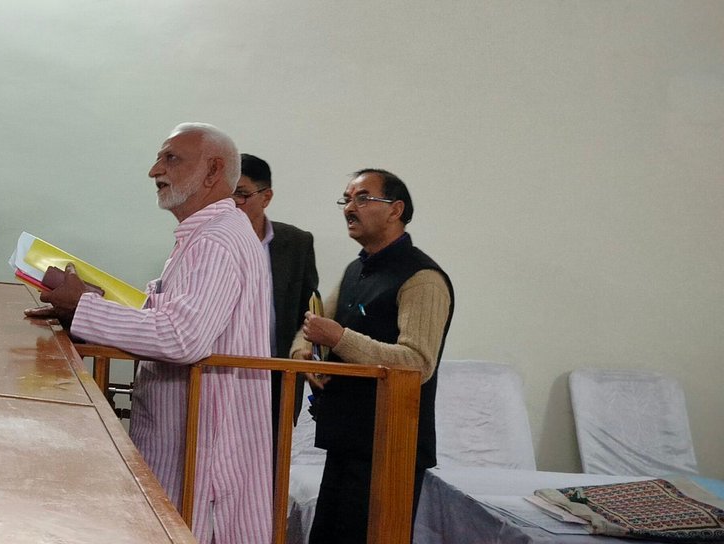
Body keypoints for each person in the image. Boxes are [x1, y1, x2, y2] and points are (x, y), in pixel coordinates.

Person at [25, 123, 273, 543]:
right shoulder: (204, 235)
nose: (155, 170)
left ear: (213, 171)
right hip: (181, 437)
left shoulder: (217, 239)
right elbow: (165, 313)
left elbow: (183, 336)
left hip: (204, 450)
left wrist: (84, 307)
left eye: (171, 158)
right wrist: (80, 307)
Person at [291, 169, 453, 544]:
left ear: (396, 209)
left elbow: (417, 362)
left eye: (362, 198)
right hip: (348, 439)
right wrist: (304, 351)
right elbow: (316, 321)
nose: (350, 207)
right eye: (346, 199)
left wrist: (339, 338)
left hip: (391, 446)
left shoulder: (422, 278)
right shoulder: (357, 269)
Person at [235, 154, 320, 431]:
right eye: (225, 194)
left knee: (273, 455)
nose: (232, 202)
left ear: (266, 197)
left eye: (241, 194)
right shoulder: (209, 241)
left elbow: (308, 309)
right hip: (222, 373)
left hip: (277, 376)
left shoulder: (296, 243)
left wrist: (304, 352)